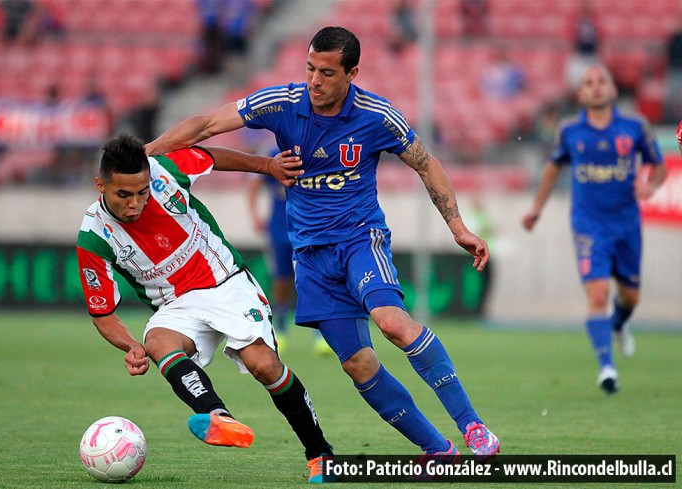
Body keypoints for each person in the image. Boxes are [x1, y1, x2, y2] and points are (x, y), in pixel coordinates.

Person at [146, 26, 500, 459]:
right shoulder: (281, 103)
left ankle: (474, 427)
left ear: (352, 73)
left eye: (327, 73)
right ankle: (438, 451)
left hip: (359, 240)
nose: (315, 80)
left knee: (392, 322)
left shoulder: (376, 116)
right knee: (358, 365)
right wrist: (142, 156)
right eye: (310, 68)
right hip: (311, 257)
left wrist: (457, 226)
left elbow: (427, 164)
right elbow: (204, 125)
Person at [76, 133, 334, 483]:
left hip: (226, 281)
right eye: (123, 195)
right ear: (100, 186)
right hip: (175, 304)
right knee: (156, 341)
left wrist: (267, 166)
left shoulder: (163, 171)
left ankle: (320, 453)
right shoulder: (94, 236)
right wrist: (130, 345)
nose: (135, 203)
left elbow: (210, 156)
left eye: (141, 192)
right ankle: (216, 415)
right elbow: (103, 313)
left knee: (264, 365)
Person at [521, 64, 667, 394]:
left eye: (602, 81)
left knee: (630, 295)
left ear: (614, 90)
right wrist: (536, 208)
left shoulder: (635, 128)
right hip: (588, 225)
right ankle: (607, 368)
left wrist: (650, 185)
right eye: (589, 83)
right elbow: (552, 169)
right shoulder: (570, 131)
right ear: (581, 94)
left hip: (627, 223)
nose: (597, 87)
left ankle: (618, 326)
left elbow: (658, 168)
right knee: (598, 293)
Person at [246, 162, 332, 355]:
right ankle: (281, 328)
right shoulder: (275, 155)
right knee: (281, 280)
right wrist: (255, 216)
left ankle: (321, 333)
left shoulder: (310, 151)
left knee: (315, 280)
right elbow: (254, 183)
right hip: (279, 230)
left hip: (309, 229)